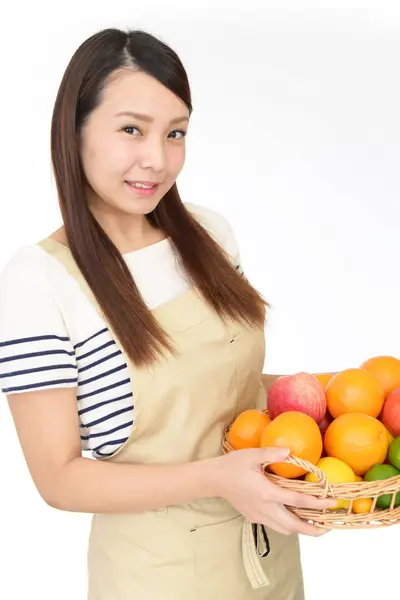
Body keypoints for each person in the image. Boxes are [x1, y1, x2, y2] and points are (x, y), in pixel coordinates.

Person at [0, 28, 336, 600]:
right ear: (75, 129)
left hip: (269, 556)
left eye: (175, 133)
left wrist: (355, 395)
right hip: (156, 577)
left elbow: (229, 393)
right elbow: (58, 477)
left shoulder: (208, 234)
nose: (157, 159)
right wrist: (217, 480)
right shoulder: (37, 281)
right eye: (131, 129)